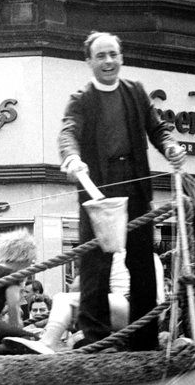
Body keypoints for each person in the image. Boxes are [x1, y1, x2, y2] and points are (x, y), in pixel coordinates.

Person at [58, 31, 186, 350]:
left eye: (113, 54)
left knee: (142, 262)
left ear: (122, 57)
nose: (108, 61)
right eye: (100, 56)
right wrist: (72, 157)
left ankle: (144, 339)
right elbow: (68, 132)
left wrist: (170, 146)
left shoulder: (135, 92)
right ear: (88, 61)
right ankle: (96, 338)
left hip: (136, 186)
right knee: (95, 265)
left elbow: (157, 128)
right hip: (97, 189)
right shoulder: (81, 98)